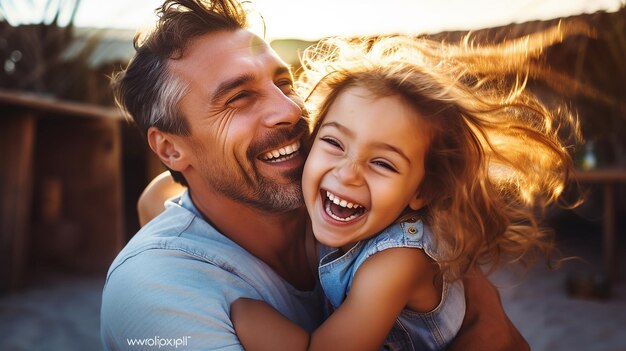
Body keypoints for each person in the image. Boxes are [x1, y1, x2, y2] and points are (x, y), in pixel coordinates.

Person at [102, 0, 554, 349]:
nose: (291, 109)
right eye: (238, 98)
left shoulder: (346, 202)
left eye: (283, 82)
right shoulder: (151, 292)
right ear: (170, 148)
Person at [226, 34, 578, 350]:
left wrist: (244, 312)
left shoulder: (397, 261)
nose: (348, 173)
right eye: (334, 142)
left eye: (383, 164)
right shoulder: (333, 211)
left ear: (421, 191)